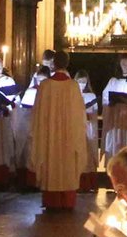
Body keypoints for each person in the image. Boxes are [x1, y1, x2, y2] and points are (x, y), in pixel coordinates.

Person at [29, 55, 86, 209]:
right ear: (67, 64)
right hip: (69, 135)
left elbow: (37, 114)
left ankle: (51, 201)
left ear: (53, 64)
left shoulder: (45, 85)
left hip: (50, 136)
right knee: (67, 165)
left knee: (51, 163)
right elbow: (79, 114)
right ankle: (67, 201)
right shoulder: (73, 86)